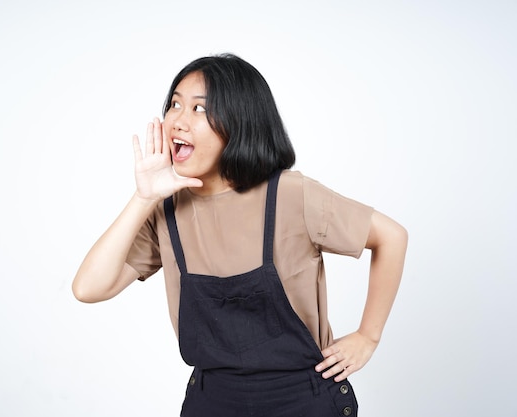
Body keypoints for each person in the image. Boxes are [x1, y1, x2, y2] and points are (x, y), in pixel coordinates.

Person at [72, 53, 408, 417]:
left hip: (302, 400)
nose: (179, 121)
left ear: (239, 122)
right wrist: (144, 197)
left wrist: (367, 337)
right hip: (213, 401)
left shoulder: (291, 195)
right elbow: (88, 288)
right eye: (175, 104)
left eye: (200, 109)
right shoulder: (166, 210)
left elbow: (391, 236)